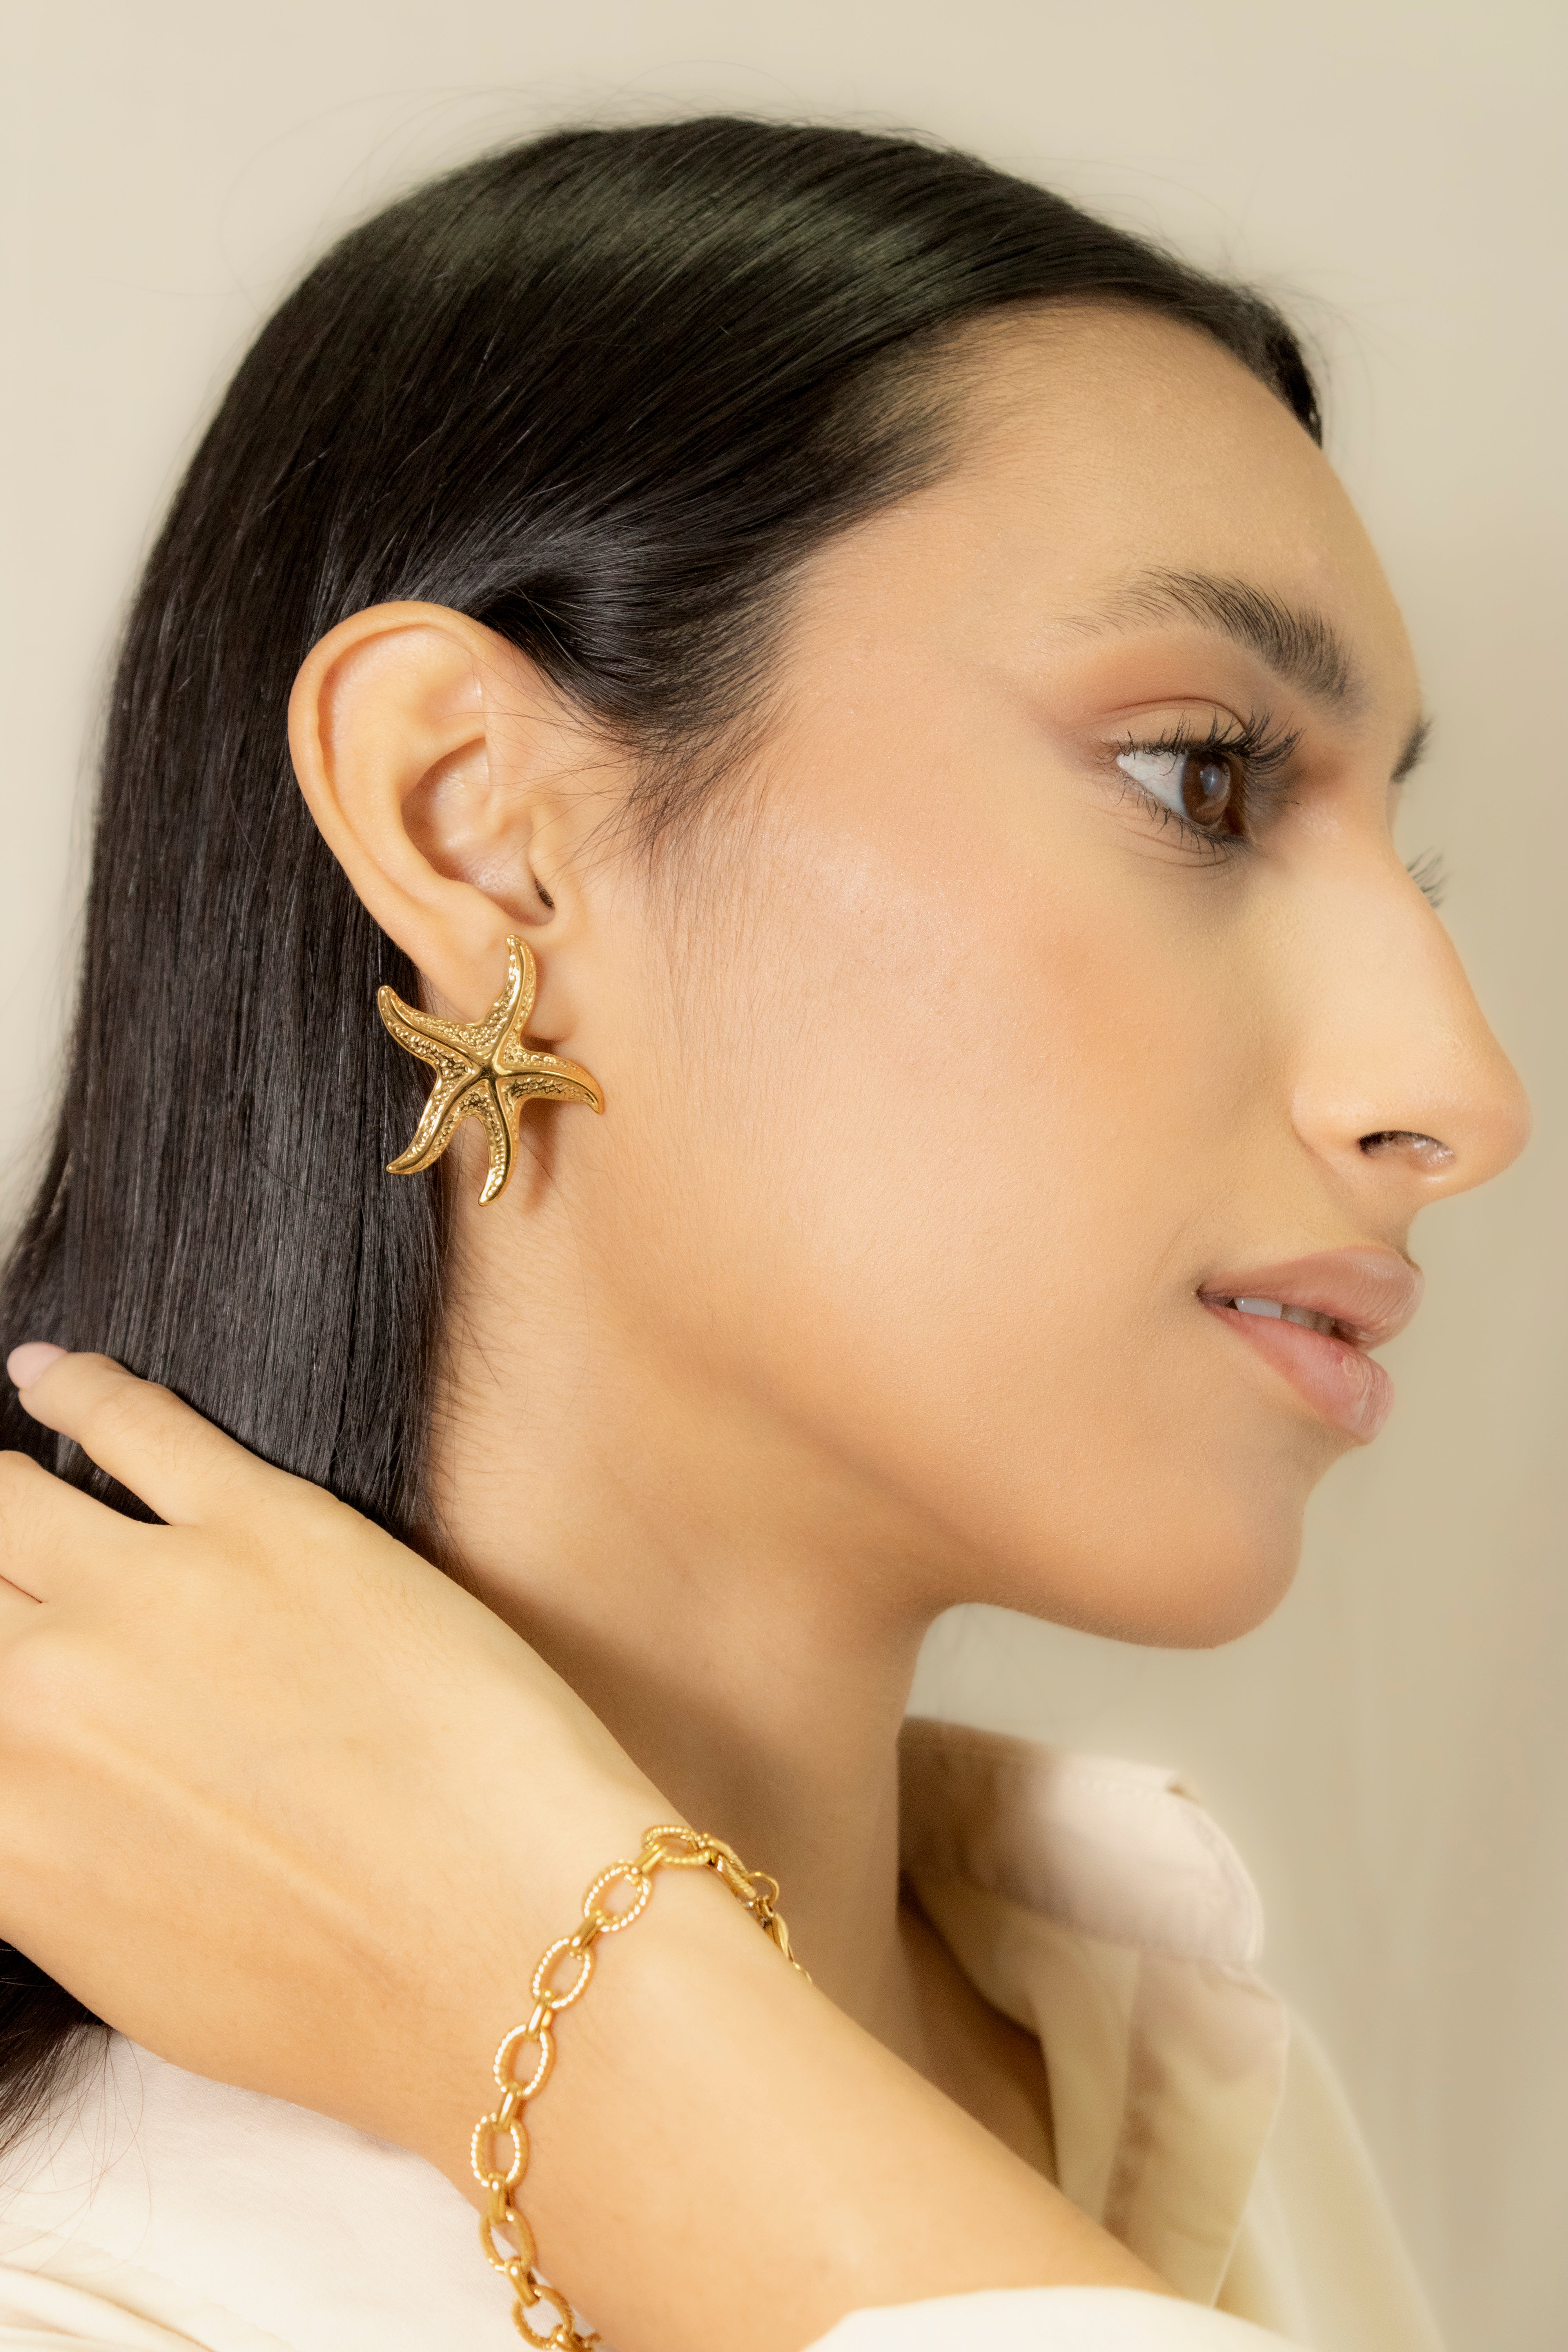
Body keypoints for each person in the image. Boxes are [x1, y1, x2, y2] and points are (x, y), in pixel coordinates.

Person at [0, 116, 1527, 2352]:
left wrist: (554, 1988)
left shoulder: (1193, 2091)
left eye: (1407, 859)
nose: (1460, 1094)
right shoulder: (87, 2291)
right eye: (1202, 778)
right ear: (479, 823)